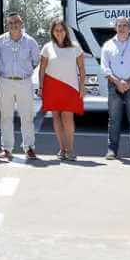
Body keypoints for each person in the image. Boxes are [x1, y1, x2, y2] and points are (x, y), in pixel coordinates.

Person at [0, 13, 40, 161]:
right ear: (7, 25)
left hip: (24, 82)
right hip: (5, 82)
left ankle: (29, 147)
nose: (13, 25)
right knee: (6, 117)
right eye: (10, 23)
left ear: (21, 23)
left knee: (27, 117)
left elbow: (36, 61)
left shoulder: (30, 42)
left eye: (16, 22)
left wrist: (25, 72)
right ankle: (6, 149)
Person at [100, 16, 130, 160]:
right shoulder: (108, 45)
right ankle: (112, 150)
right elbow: (105, 67)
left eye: (125, 25)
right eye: (119, 25)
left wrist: (128, 83)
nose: (122, 28)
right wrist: (117, 82)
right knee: (114, 120)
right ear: (115, 27)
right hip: (113, 85)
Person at [38, 18, 86, 161]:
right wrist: (41, 87)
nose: (59, 33)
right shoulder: (47, 47)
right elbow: (42, 69)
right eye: (56, 30)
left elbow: (82, 68)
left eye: (61, 30)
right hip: (52, 86)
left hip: (70, 87)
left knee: (67, 118)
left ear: (66, 31)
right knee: (56, 118)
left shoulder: (75, 47)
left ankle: (70, 149)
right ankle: (62, 149)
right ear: (52, 32)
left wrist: (82, 87)